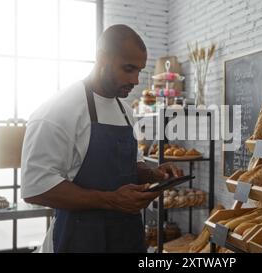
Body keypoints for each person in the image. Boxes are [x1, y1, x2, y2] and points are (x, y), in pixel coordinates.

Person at [21, 25, 181, 253]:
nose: (136, 80)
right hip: (79, 241)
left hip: (127, 239)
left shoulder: (126, 111)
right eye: (128, 69)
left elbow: (128, 166)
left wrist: (153, 174)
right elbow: (35, 187)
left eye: (139, 71)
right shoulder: (57, 111)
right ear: (101, 58)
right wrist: (110, 200)